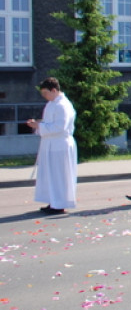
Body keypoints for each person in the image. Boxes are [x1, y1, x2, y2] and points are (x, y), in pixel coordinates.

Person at [27, 77, 77, 215]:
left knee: (59, 175)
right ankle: (53, 201)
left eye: (45, 93)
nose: (44, 96)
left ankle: (60, 203)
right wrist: (38, 125)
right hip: (50, 143)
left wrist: (40, 126)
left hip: (60, 144)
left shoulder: (63, 105)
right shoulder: (51, 103)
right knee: (50, 174)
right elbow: (49, 122)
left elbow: (60, 126)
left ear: (54, 90)